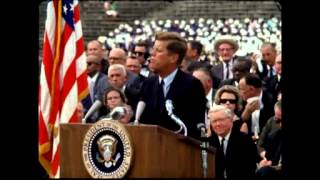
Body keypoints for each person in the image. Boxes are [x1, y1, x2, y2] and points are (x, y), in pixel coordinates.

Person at [139, 31, 207, 140]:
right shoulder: (148, 84)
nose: (152, 54)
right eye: (153, 49)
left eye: (158, 51)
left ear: (173, 58)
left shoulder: (192, 85)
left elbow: (195, 127)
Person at [208, 105, 258, 179]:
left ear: (231, 120)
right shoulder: (209, 142)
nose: (218, 124)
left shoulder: (245, 140)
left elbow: (249, 168)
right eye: (214, 121)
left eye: (221, 120)